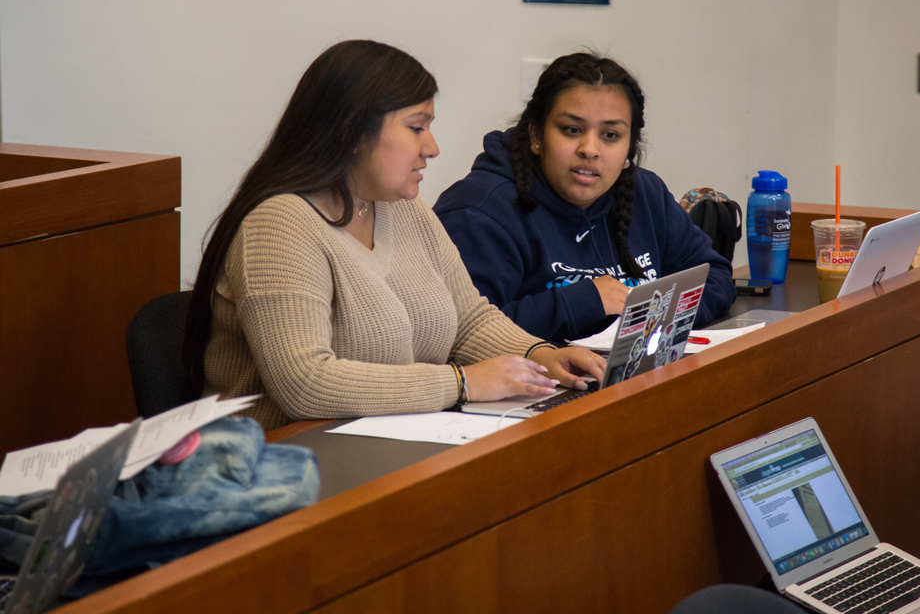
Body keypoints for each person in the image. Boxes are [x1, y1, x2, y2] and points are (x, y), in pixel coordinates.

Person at [183, 40, 605, 431]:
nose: (432, 147)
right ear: (351, 132)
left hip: (385, 440)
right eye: (416, 127)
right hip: (280, 457)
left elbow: (468, 320)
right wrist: (462, 383)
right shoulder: (279, 225)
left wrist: (540, 356)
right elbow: (305, 383)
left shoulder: (401, 207)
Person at [433, 52, 736, 342]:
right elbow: (460, 334)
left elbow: (714, 277)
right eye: (572, 130)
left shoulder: (646, 193)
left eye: (610, 135)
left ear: (630, 149)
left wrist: (646, 319)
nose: (589, 149)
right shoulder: (478, 212)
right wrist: (585, 302)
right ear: (536, 135)